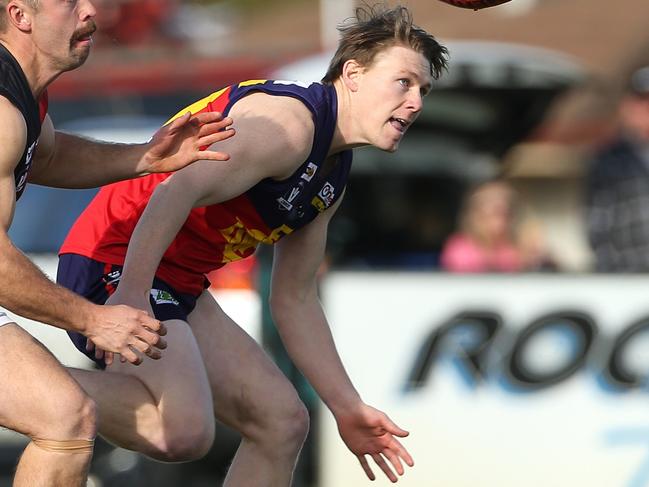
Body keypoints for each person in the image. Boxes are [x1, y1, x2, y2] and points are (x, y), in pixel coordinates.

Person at [56, 4, 447, 485]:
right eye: (404, 82)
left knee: (282, 423)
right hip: (115, 258)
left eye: (424, 90)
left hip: (176, 283)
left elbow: (295, 298)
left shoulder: (331, 173)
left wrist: (348, 408)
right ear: (352, 74)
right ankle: (16, 385)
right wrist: (132, 292)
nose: (416, 103)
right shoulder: (286, 126)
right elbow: (174, 189)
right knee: (181, 432)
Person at [0, 0, 234, 485]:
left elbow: (49, 156)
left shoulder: (23, 98)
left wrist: (145, 158)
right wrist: (92, 320)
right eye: (70, 3)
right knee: (64, 417)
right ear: (22, 16)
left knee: (84, 415)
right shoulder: (2, 113)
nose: (91, 11)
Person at [585, 65, 649, 272]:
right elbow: (597, 227)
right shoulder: (608, 160)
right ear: (627, 107)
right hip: (628, 278)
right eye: (642, 101)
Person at [440, 179, 552, 272]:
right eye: (492, 205)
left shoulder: (517, 246)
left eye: (507, 202)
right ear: (475, 213)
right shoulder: (459, 247)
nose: (503, 206)